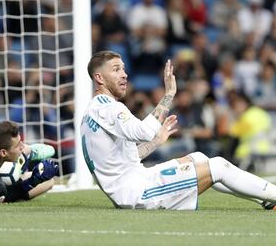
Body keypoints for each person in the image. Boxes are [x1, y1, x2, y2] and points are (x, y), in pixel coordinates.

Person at [80, 50, 276, 210]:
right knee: (217, 166)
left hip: (134, 182)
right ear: (99, 77)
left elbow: (125, 159)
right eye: (116, 70)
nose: (124, 74)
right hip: (138, 193)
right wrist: (169, 95)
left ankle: (266, 199)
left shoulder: (93, 111)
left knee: (199, 157)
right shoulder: (109, 108)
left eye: (123, 68)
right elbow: (144, 131)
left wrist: (156, 142)